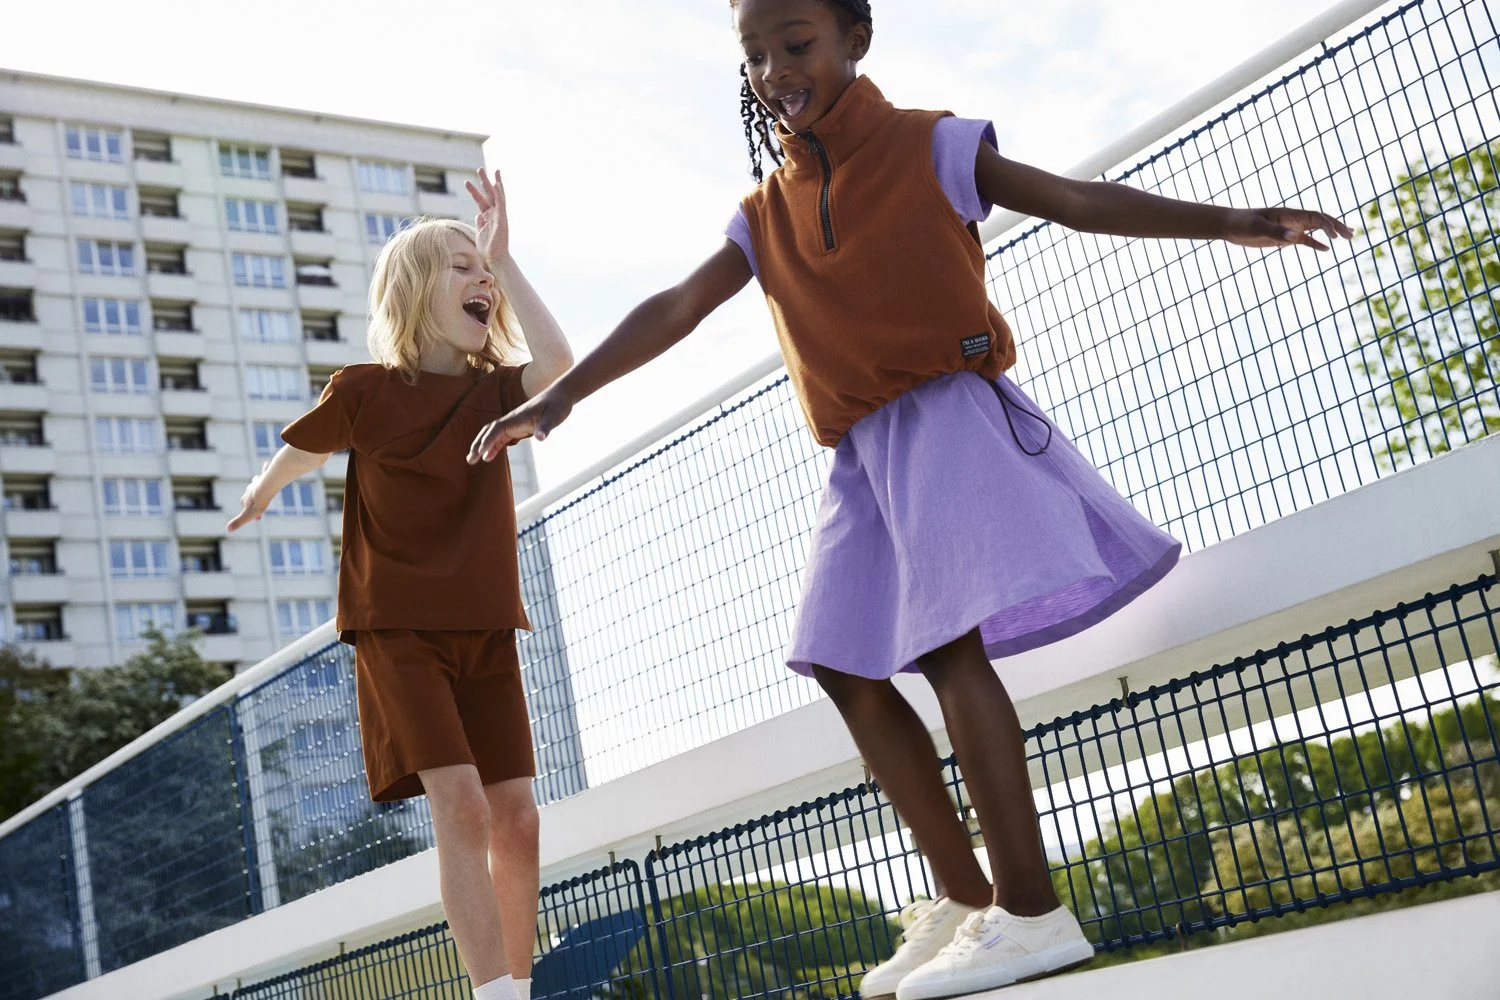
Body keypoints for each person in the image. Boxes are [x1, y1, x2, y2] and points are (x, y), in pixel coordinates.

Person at [467, 2, 1352, 996]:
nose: (772, 70)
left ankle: (1032, 909)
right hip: (859, 456)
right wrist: (561, 396)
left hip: (944, 417)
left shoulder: (931, 145)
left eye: (795, 44)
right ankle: (969, 898)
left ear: (855, 39)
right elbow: (674, 305)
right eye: (753, 54)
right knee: (842, 661)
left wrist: (1227, 221)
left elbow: (1071, 199)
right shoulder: (765, 211)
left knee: (943, 648)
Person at [229, 171, 573, 1000]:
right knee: (461, 808)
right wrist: (265, 488)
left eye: (480, 268)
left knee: (518, 817)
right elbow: (310, 448)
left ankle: (517, 991)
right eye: (460, 266)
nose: (479, 278)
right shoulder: (365, 391)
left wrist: (506, 257)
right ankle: (492, 991)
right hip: (399, 631)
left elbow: (561, 364)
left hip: (487, 627)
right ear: (416, 287)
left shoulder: (497, 390)